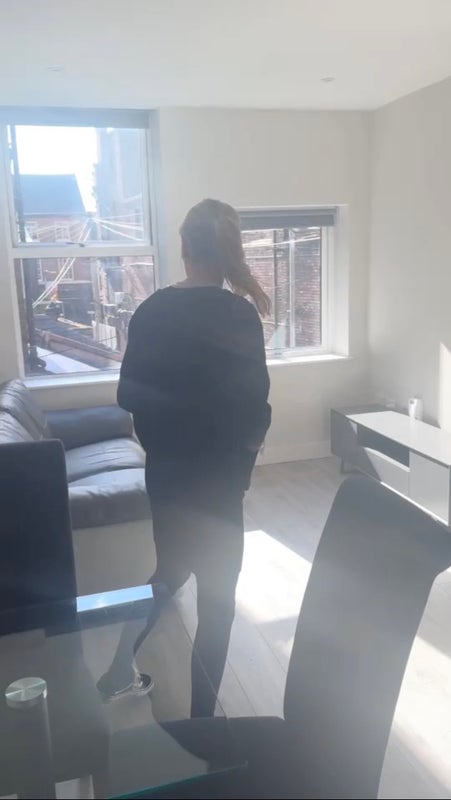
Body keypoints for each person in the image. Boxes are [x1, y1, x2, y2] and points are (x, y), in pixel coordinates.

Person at [98, 198, 271, 717]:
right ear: (229, 251)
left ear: (184, 248)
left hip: (168, 477)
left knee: (168, 573)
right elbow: (256, 411)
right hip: (219, 484)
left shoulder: (152, 311)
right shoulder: (239, 315)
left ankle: (116, 669)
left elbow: (128, 395)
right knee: (217, 604)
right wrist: (241, 465)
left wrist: (165, 432)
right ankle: (201, 725)